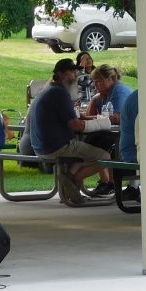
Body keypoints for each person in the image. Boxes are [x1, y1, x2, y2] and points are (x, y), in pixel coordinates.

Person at [28, 58, 111, 206]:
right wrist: (102, 123)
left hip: (40, 146)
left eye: (75, 71)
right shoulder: (60, 93)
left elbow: (73, 117)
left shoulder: (48, 90)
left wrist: (88, 119)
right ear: (60, 74)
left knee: (82, 156)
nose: (75, 75)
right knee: (105, 157)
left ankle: (70, 180)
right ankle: (72, 180)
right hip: (57, 147)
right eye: (71, 71)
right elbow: (76, 126)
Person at [84, 64, 132, 196]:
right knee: (93, 140)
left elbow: (116, 118)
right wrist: (94, 100)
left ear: (110, 79)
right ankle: (106, 182)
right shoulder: (104, 95)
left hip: (127, 135)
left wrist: (87, 117)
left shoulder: (118, 91)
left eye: (98, 81)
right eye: (94, 81)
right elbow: (89, 116)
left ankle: (110, 183)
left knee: (103, 143)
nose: (95, 85)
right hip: (116, 133)